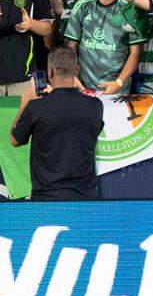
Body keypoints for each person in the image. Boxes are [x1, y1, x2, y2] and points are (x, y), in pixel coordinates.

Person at [8, 46, 104, 202]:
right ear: (77, 70)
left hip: (46, 199)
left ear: (50, 72)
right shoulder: (95, 106)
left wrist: (25, 104)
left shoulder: (36, 107)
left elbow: (14, 139)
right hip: (85, 198)